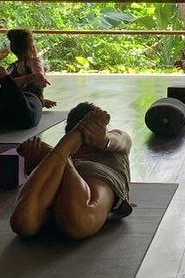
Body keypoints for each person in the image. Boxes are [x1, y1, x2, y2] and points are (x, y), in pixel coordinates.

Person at [10, 102, 133, 240]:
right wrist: (34, 164)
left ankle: (59, 148)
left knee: (77, 221)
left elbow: (120, 140)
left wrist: (104, 140)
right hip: (69, 170)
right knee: (24, 223)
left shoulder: (115, 136)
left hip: (85, 171)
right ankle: (63, 147)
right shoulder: (63, 157)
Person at [0, 29, 55, 131]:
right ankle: (1, 73)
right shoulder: (32, 61)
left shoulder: (16, 67)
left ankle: (1, 72)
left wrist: (40, 98)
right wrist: (34, 78)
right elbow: (38, 75)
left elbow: (37, 75)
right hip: (22, 108)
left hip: (19, 104)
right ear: (31, 47)